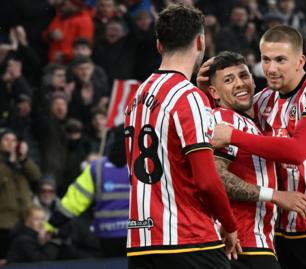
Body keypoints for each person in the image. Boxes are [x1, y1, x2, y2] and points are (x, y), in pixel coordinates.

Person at [212, 25, 306, 269]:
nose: (271, 68)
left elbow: (297, 151)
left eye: (280, 60)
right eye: (266, 60)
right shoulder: (264, 100)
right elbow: (227, 108)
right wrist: (204, 87)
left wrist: (232, 136)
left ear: (300, 61)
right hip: (282, 230)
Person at [124, 5, 239, 269]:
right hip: (188, 238)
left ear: (158, 45)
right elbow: (207, 180)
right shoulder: (188, 96)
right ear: (200, 41)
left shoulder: (137, 96)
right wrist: (230, 225)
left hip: (141, 242)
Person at [206, 51, 306, 269]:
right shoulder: (223, 120)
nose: (239, 84)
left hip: (258, 244)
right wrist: (275, 196)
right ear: (214, 92)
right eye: (229, 80)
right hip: (238, 246)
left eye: (243, 76)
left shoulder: (252, 125)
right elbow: (216, 176)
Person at [46, 126, 129, 257]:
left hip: (106, 236)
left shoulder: (97, 168)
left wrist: (50, 226)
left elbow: (73, 203)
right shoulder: (147, 166)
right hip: (139, 235)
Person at [0, 128, 41, 259]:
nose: (10, 143)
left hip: (24, 220)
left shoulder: (21, 162)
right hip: (4, 222)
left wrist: (23, 159)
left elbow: (36, 176)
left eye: (14, 140)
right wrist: (9, 163)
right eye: (6, 139)